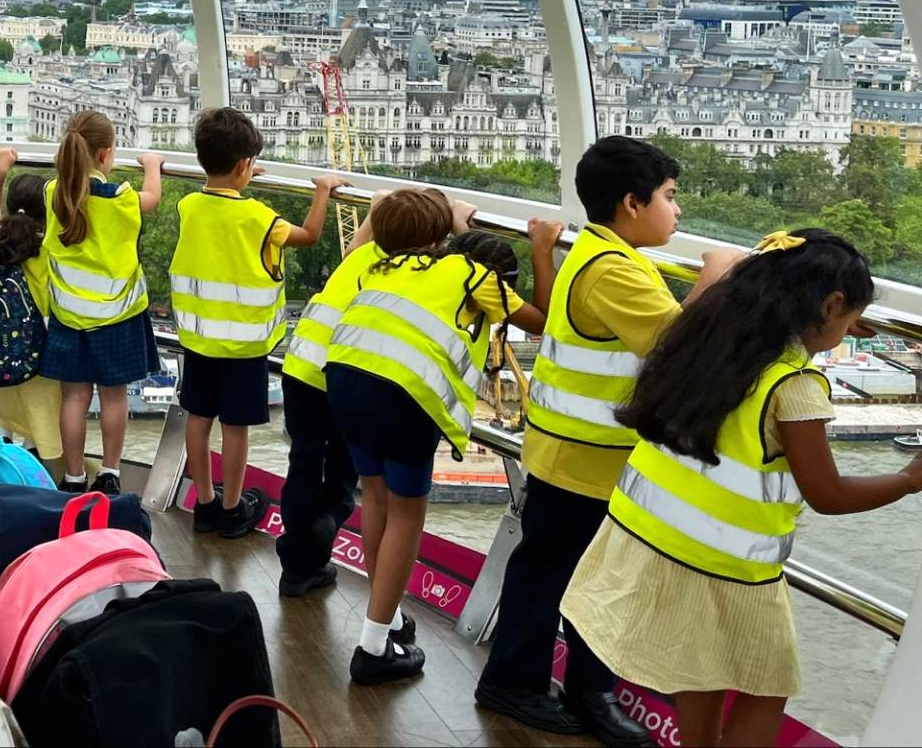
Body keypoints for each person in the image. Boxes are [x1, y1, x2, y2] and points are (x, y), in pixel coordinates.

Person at [563, 230, 922, 748]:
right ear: (829, 306)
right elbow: (827, 494)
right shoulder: (794, 386)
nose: (853, 328)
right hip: (730, 571)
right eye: (850, 319)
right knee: (766, 689)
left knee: (702, 670)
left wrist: (832, 329)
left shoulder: (708, 343)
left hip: (654, 544)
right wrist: (908, 480)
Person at [477, 137, 708, 746]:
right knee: (564, 576)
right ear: (632, 203)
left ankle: (556, 683)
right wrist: (714, 279)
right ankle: (535, 685)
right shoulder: (614, 271)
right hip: (585, 460)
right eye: (670, 196)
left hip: (570, 452)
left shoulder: (596, 253)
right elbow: (683, 347)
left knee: (556, 573)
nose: (677, 210)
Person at [324, 190, 547, 685]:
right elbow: (543, 320)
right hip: (403, 395)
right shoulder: (471, 276)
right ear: (440, 238)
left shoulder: (378, 270)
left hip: (344, 377)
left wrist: (453, 231)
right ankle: (373, 646)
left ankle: (385, 616)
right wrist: (541, 247)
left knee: (376, 500)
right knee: (407, 514)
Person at [173, 106, 340, 539]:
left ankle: (204, 503)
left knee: (198, 419)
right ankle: (232, 509)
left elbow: (217, 204)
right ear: (245, 166)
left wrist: (237, 175)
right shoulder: (261, 219)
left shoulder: (189, 205)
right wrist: (322, 190)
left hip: (198, 338)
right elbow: (310, 235)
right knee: (235, 429)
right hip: (245, 347)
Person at [277, 186, 446, 595]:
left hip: (300, 367)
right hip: (341, 374)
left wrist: (374, 211)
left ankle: (295, 567)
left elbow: (357, 242)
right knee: (342, 472)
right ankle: (326, 528)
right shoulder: (416, 274)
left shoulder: (363, 257)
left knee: (302, 464)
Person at [39, 110, 163, 495]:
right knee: (114, 396)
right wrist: (153, 165)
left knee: (73, 397)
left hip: (68, 312)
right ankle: (110, 472)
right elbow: (153, 198)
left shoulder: (52, 193)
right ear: (107, 154)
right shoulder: (121, 198)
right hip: (117, 315)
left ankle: (73, 476)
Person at [0, 162, 62, 461]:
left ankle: (1, 463)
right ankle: (32, 468)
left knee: (4, 415)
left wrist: (0, 175)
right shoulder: (53, 248)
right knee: (38, 420)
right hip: (42, 347)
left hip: (2, 347)